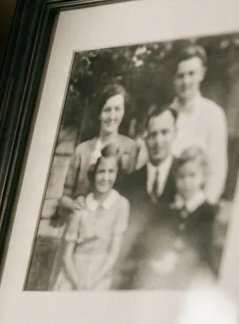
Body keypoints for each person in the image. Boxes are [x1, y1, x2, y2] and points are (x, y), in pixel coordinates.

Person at [129, 146, 221, 290]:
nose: (186, 182)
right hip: (165, 274)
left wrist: (179, 263)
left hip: (193, 275)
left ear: (203, 177)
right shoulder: (169, 210)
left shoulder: (207, 213)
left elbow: (205, 251)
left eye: (192, 175)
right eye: (182, 176)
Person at [115, 104, 178, 286]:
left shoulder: (186, 178)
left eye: (165, 133)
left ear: (175, 133)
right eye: (153, 134)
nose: (158, 141)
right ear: (145, 137)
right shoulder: (128, 184)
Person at [58, 83, 140, 219]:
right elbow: (64, 198)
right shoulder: (82, 150)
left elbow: (132, 198)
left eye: (117, 109)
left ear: (124, 112)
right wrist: (73, 205)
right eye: (107, 110)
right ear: (99, 113)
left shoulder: (131, 149)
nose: (112, 116)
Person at [55, 144, 131, 292]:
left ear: (117, 174)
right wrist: (77, 283)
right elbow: (67, 256)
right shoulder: (81, 204)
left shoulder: (121, 205)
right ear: (93, 173)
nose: (105, 178)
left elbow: (113, 254)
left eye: (111, 172)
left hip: (100, 274)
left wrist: (92, 282)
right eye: (101, 172)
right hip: (73, 273)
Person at [170, 45, 228, 203]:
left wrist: (203, 208)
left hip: (198, 203)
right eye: (180, 75)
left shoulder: (214, 114)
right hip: (167, 203)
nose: (186, 81)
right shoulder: (166, 115)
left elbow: (217, 168)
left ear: (202, 74)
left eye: (191, 74)